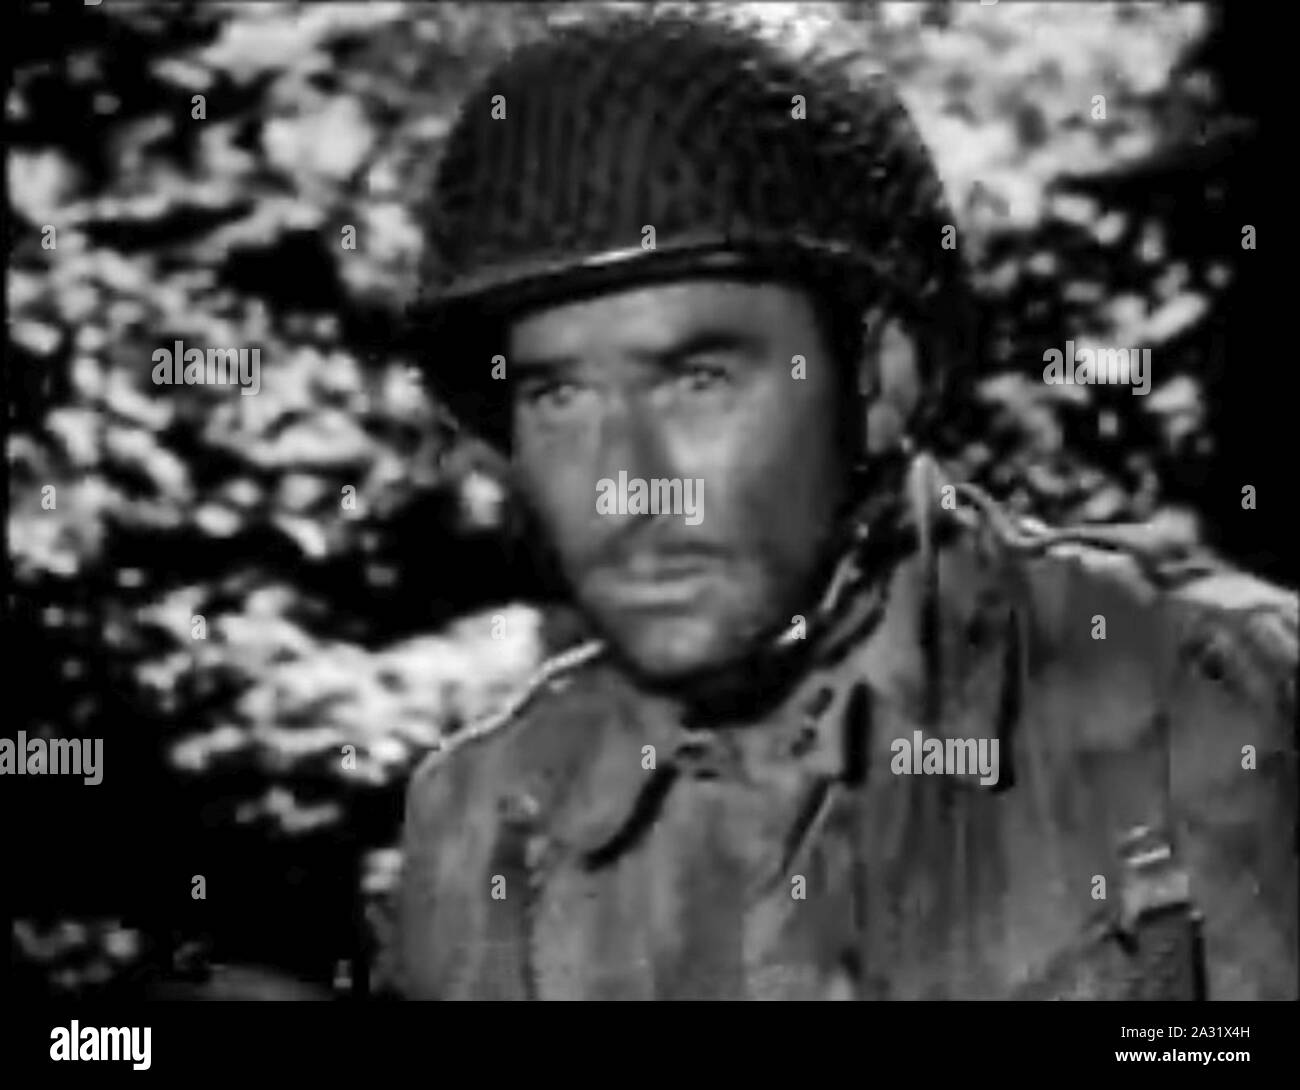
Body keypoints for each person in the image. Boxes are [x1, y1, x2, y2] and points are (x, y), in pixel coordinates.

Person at [392, 10, 1296, 1000]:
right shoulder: (484, 816)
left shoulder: (1213, 689)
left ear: (876, 380)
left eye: (697, 378)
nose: (624, 479)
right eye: (558, 396)